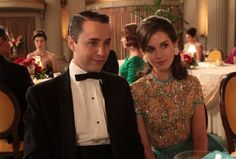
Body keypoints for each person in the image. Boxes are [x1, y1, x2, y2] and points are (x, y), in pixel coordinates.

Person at [23, 11, 144, 159]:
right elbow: (35, 154)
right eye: (93, 43)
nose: (102, 52)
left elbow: (133, 144)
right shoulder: (42, 95)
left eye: (106, 43)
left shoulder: (119, 86)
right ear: (71, 43)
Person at [130, 16, 207, 159]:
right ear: (143, 52)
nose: (159, 55)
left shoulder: (192, 84)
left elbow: (200, 137)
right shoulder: (136, 90)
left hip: (192, 155)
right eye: (150, 49)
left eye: (164, 45)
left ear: (175, 44)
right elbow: (145, 148)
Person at [0, 26, 33, 141]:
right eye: (8, 41)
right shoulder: (17, 72)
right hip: (15, 135)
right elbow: (32, 101)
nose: (10, 45)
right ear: (1, 42)